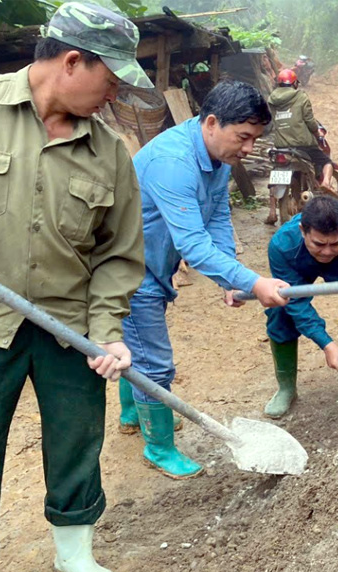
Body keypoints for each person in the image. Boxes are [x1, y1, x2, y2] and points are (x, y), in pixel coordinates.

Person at [0, 2, 150, 572]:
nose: (116, 93)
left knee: (77, 438)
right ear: (73, 61)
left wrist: (108, 328)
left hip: (70, 323)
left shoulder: (110, 154)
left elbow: (120, 254)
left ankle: (73, 551)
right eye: (112, 79)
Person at [120, 79, 290, 480]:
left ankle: (135, 412)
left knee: (136, 349)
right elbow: (194, 246)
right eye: (243, 137)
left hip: (152, 263)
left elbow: (215, 217)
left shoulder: (216, 159)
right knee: (154, 364)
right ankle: (158, 446)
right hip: (127, 271)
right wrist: (252, 282)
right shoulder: (174, 162)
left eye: (254, 139)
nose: (248, 148)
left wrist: (229, 276)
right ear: (211, 122)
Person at [263, 195, 338, 416]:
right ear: (303, 230)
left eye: (335, 243)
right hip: (300, 265)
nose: (327, 251)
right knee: (280, 309)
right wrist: (326, 343)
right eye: (319, 243)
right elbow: (297, 303)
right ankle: (286, 388)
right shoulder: (282, 245)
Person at [265, 68, 333, 226]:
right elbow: (309, 121)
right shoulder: (301, 96)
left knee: (274, 169)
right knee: (325, 160)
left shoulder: (271, 99)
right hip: (302, 144)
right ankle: (326, 183)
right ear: (295, 83)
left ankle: (272, 210)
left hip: (281, 146)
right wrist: (317, 134)